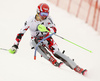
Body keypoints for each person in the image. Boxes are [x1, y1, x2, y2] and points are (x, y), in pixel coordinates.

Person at [9, 3, 87, 75]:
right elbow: (21, 33)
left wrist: (47, 29)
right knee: (33, 42)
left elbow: (54, 29)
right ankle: (51, 59)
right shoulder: (30, 20)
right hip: (36, 39)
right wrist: (15, 45)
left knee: (57, 53)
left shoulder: (48, 19)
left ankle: (77, 67)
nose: (44, 16)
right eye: (43, 14)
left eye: (46, 14)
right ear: (38, 12)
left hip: (47, 38)